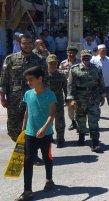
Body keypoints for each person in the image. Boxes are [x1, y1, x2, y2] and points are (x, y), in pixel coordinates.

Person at [16, 66, 56, 201]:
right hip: (30, 134)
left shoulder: (50, 94)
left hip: (46, 134)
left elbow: (52, 115)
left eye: (31, 80)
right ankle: (27, 190)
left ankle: (49, 179)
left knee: (47, 157)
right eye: (27, 80)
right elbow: (27, 112)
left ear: (40, 79)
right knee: (28, 161)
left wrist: (44, 128)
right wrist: (23, 129)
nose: (28, 83)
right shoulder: (28, 94)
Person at [1, 35, 45, 142]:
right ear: (20, 44)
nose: (27, 46)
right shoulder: (10, 59)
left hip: (34, 97)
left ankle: (31, 152)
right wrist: (2, 97)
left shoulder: (40, 60)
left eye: (29, 43)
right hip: (15, 99)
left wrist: (44, 97)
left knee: (34, 123)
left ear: (33, 44)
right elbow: (4, 79)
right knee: (13, 126)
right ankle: (20, 149)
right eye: (24, 43)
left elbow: (45, 80)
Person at [67, 49, 106, 152]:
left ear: (91, 57)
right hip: (80, 98)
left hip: (93, 98)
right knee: (80, 119)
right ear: (81, 57)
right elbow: (70, 85)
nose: (86, 57)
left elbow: (101, 82)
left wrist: (102, 95)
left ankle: (95, 141)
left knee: (94, 120)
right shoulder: (74, 69)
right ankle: (81, 136)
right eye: (84, 56)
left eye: (88, 56)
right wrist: (71, 99)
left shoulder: (97, 68)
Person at [91, 45, 109, 120]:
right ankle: (96, 114)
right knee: (96, 100)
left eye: (105, 50)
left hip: (108, 83)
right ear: (98, 51)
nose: (104, 51)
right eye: (102, 50)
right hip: (97, 84)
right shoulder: (94, 60)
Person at [44, 55, 67, 148]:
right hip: (45, 101)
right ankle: (48, 137)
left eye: (55, 63)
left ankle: (60, 138)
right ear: (47, 63)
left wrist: (69, 100)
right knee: (47, 120)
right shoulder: (43, 75)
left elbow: (66, 89)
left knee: (59, 120)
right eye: (51, 63)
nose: (53, 65)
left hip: (58, 101)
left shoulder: (61, 75)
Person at [59, 46, 80, 131]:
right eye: (69, 53)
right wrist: (65, 72)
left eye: (73, 53)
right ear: (67, 53)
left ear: (76, 54)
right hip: (67, 88)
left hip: (78, 87)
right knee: (69, 107)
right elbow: (59, 73)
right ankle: (73, 122)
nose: (71, 54)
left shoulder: (79, 62)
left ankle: (79, 124)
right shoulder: (63, 63)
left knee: (78, 106)